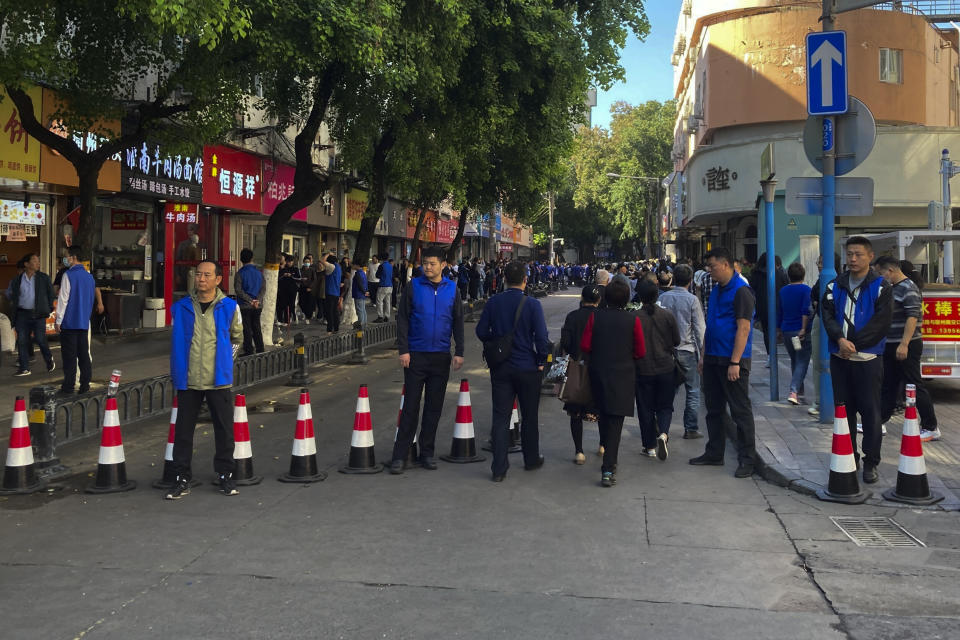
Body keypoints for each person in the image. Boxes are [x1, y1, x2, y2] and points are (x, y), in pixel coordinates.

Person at [166, 260, 243, 500]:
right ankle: (181, 477)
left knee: (224, 428)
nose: (201, 279)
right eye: (198, 274)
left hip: (218, 378)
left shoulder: (229, 307)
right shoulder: (180, 308)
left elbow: (237, 338)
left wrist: (224, 362)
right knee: (183, 431)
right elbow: (176, 338)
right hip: (188, 379)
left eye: (207, 275)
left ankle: (225, 475)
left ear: (218, 279)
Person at [821, 236, 892, 484]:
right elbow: (827, 316)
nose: (852, 259)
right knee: (844, 410)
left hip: (868, 359)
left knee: (870, 412)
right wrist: (840, 340)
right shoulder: (834, 286)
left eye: (858, 254)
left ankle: (871, 461)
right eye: (850, 254)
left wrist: (855, 345)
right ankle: (850, 455)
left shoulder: (882, 287)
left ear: (870, 256)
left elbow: (881, 324)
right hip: (840, 357)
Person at [390, 246, 465, 474]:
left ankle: (427, 453)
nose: (428, 267)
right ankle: (400, 456)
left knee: (434, 407)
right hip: (416, 356)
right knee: (410, 407)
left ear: (443, 265)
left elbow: (458, 322)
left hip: (441, 356)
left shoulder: (452, 289)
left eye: (432, 263)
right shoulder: (414, 287)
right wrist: (404, 350)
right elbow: (402, 319)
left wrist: (459, 351)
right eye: (425, 263)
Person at [475, 261, 550, 482]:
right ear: (526, 280)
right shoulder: (533, 304)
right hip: (528, 368)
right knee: (530, 416)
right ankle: (531, 459)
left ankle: (499, 469)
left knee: (500, 417)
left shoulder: (493, 302)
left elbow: (481, 331)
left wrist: (497, 343)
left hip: (501, 369)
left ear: (504, 279)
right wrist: (540, 361)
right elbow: (542, 338)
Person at [689, 248, 758, 478]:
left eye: (713, 267)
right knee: (714, 409)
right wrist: (703, 356)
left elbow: (744, 328)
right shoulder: (717, 290)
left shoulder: (742, 292)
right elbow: (711, 325)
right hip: (712, 358)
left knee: (740, 411)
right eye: (708, 267)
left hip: (732, 360)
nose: (710, 271)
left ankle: (747, 459)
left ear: (726, 264)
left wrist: (735, 362)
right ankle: (714, 452)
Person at [579, 279, 646, 488]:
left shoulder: (595, 317)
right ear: (626, 298)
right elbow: (640, 351)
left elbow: (585, 345)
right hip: (623, 375)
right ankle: (608, 468)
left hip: (598, 372)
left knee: (603, 414)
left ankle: (605, 451)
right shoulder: (632, 320)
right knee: (615, 421)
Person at [874, 256, 939, 441]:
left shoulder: (908, 288)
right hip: (891, 343)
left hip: (906, 344)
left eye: (881, 273)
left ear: (890, 271)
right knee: (889, 383)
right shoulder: (892, 288)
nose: (880, 277)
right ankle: (879, 421)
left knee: (914, 384)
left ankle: (930, 426)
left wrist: (904, 344)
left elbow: (912, 317)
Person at [633, 279, 681, 460]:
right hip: (665, 367)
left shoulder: (634, 317)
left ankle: (649, 447)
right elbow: (676, 340)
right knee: (665, 406)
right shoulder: (667, 316)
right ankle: (664, 434)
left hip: (642, 369)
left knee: (645, 409)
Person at [658, 264, 705, 439]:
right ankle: (691, 428)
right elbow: (700, 329)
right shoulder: (693, 300)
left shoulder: (664, 298)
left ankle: (662, 426)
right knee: (692, 390)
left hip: (667, 352)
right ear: (691, 280)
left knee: (669, 391)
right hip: (687, 350)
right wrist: (703, 354)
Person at [560, 285, 601, 463]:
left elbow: (566, 343)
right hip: (598, 369)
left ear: (582, 298)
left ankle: (579, 451)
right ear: (598, 300)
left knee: (575, 411)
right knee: (600, 408)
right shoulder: (601, 316)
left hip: (576, 369)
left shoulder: (572, 317)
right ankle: (603, 445)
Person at [55, 246, 95, 394]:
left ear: (73, 257)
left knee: (70, 357)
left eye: (67, 256)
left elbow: (63, 299)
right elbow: (91, 300)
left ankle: (69, 386)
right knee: (84, 355)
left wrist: (58, 320)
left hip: (69, 322)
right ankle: (85, 385)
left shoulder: (68, 275)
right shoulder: (89, 277)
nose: (65, 259)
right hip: (84, 322)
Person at [9, 253, 55, 376]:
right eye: (35, 261)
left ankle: (49, 359)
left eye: (38, 261)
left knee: (40, 339)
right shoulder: (17, 280)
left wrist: (48, 308)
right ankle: (24, 368)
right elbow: (13, 296)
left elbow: (51, 295)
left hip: (38, 314)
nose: (38, 263)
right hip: (22, 314)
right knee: (22, 340)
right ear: (26, 264)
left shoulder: (43, 278)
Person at [778, 262, 813, 405]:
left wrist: (778, 329)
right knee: (802, 360)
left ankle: (799, 390)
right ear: (803, 275)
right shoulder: (806, 290)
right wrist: (803, 328)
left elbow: (779, 311)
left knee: (795, 359)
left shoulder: (783, 291)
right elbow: (806, 310)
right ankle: (793, 390)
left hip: (787, 330)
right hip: (800, 332)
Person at [234, 248, 265, 357]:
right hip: (258, 305)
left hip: (244, 305)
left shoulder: (239, 273)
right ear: (252, 258)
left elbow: (238, 290)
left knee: (246, 328)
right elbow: (263, 288)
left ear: (241, 259)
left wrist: (250, 301)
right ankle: (260, 348)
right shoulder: (259, 273)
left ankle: (249, 349)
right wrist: (257, 300)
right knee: (256, 326)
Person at [323, 252, 342, 334]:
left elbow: (322, 260)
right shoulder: (338, 267)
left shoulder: (331, 266)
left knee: (329, 311)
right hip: (336, 292)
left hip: (330, 291)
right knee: (335, 311)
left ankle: (329, 329)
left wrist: (328, 254)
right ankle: (336, 328)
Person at [375, 257, 394, 322]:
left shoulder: (381, 266)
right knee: (387, 302)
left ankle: (380, 316)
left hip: (383, 285)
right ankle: (387, 316)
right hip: (390, 285)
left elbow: (377, 275)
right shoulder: (390, 266)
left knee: (379, 301)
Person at [351, 261, 369, 327]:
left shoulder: (358, 273)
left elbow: (359, 284)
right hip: (362, 294)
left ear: (357, 265)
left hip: (358, 294)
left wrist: (364, 291)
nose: (352, 266)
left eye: (353, 265)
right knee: (363, 310)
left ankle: (361, 325)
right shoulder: (362, 272)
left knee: (360, 311)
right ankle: (364, 324)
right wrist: (366, 291)